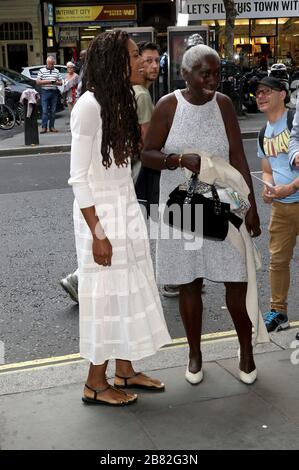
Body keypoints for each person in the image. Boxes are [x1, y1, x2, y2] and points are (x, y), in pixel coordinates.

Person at [141, 44, 268, 386]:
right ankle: (195, 353)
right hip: (183, 208)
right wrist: (179, 160)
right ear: (186, 74)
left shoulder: (224, 104)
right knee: (189, 282)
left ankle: (246, 350)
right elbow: (148, 153)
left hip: (224, 203)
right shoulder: (169, 105)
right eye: (205, 73)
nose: (213, 80)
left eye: (217, 73)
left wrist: (252, 208)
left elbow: (239, 158)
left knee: (236, 279)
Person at [68, 30, 171, 406]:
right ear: (114, 62)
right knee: (106, 296)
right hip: (101, 214)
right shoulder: (89, 106)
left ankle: (125, 369)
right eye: (132, 56)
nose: (141, 62)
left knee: (131, 287)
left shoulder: (119, 100)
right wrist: (98, 234)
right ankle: (95, 383)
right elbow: (78, 177)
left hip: (123, 205)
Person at [254, 76, 299, 333]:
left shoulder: (294, 121)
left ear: (282, 94)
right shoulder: (263, 133)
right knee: (278, 262)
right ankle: (278, 312)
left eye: (266, 91)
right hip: (281, 208)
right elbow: (267, 169)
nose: (260, 96)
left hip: (295, 195)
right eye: (258, 93)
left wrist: (291, 187)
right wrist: (268, 187)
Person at [36, 56, 62, 133]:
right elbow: (38, 82)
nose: (51, 65)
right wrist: (49, 81)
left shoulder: (57, 71)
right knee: (44, 110)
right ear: (47, 63)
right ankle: (44, 127)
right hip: (45, 91)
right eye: (50, 64)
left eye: (52, 64)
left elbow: (60, 82)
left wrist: (53, 82)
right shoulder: (42, 70)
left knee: (53, 110)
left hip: (54, 92)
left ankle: (52, 127)